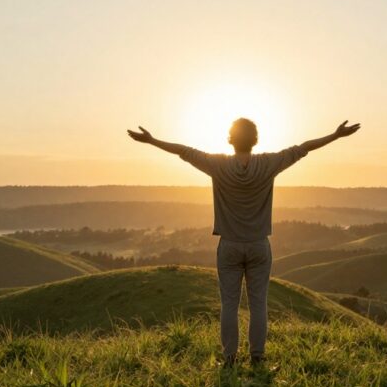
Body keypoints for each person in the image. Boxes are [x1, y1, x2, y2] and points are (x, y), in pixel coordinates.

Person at [127, 118, 361, 366]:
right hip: (259, 244)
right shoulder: (268, 163)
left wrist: (151, 141)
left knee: (230, 304)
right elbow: (303, 148)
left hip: (229, 245)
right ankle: (257, 359)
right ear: (255, 139)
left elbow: (183, 151)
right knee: (258, 303)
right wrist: (335, 135)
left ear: (231, 138)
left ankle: (229, 360)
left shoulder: (218, 165)